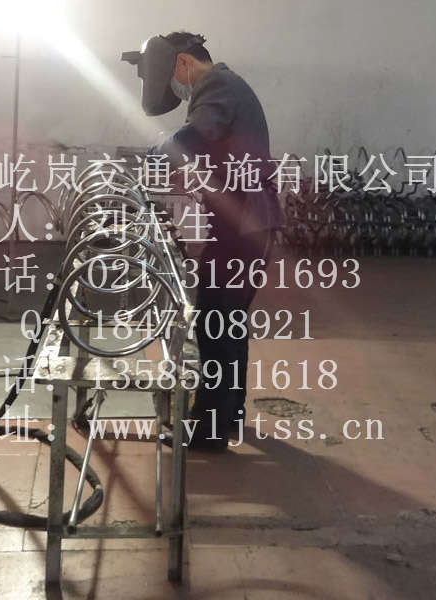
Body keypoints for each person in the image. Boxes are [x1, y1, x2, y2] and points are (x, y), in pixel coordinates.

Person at [150, 31, 284, 450]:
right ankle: (229, 414)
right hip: (246, 225)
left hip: (243, 227)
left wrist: (155, 155)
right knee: (228, 324)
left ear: (183, 63)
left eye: (172, 77)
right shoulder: (226, 87)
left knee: (215, 325)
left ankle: (208, 431)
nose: (176, 88)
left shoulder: (218, 85)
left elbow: (196, 136)